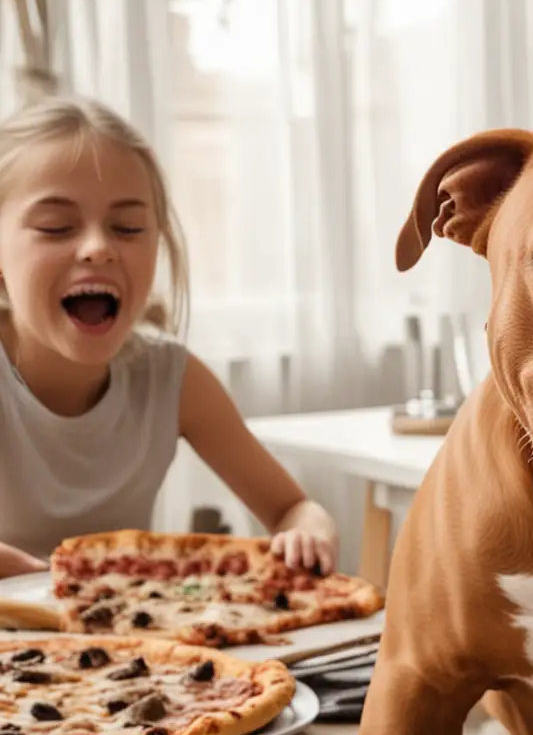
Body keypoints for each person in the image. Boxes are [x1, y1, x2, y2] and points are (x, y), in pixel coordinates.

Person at [0, 97, 336, 579]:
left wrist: (307, 534)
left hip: (125, 643)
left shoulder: (172, 379)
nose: (98, 247)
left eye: (128, 227)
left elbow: (297, 510)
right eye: (56, 227)